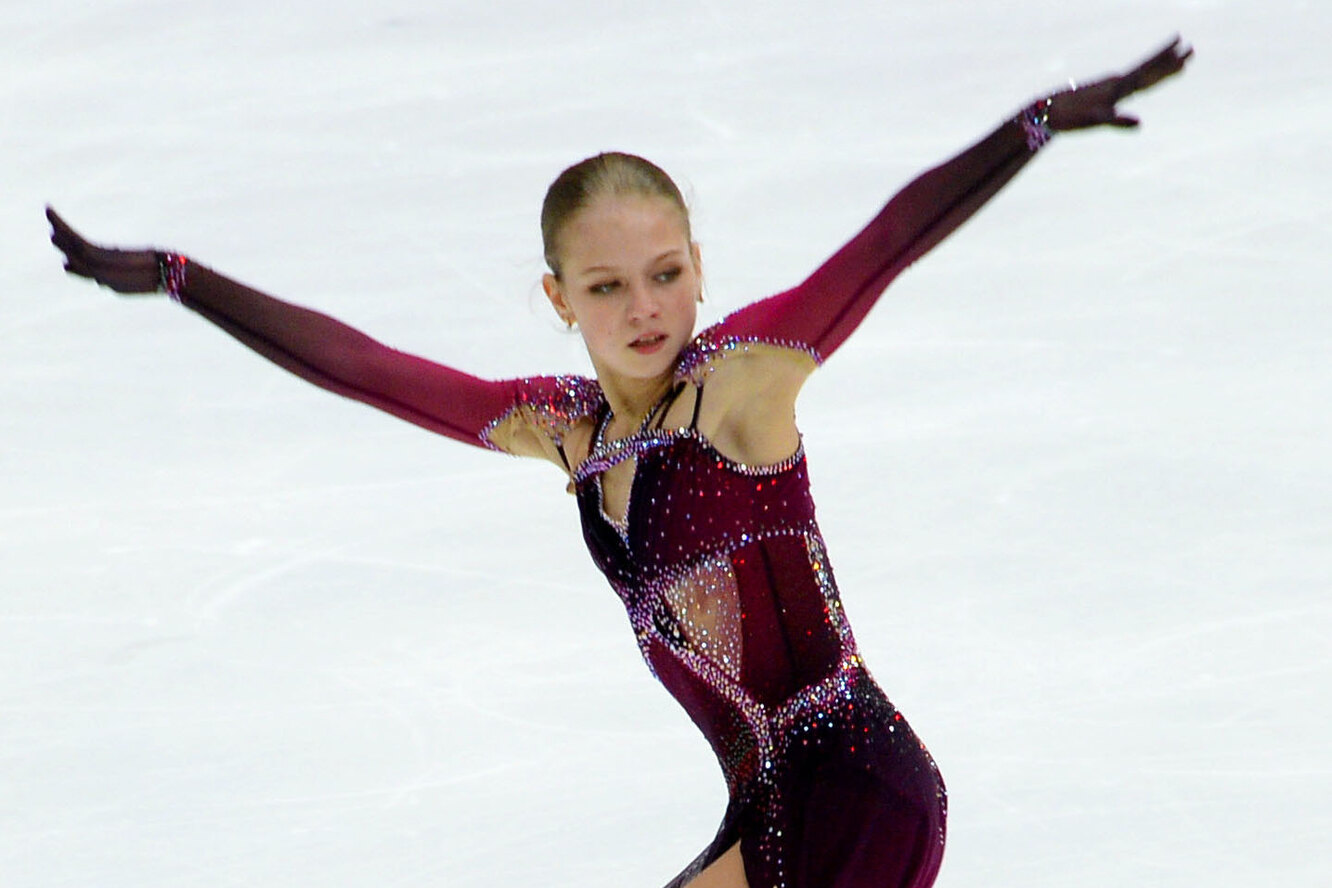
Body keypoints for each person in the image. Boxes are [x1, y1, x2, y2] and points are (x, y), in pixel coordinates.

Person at [48, 37, 1191, 888]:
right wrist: (188, 281)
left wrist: (1031, 126)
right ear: (559, 300)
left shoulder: (744, 385)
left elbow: (886, 242)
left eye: (664, 273)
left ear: (698, 262)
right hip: (772, 800)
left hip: (856, 788)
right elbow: (371, 368)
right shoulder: (564, 431)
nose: (645, 308)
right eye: (605, 288)